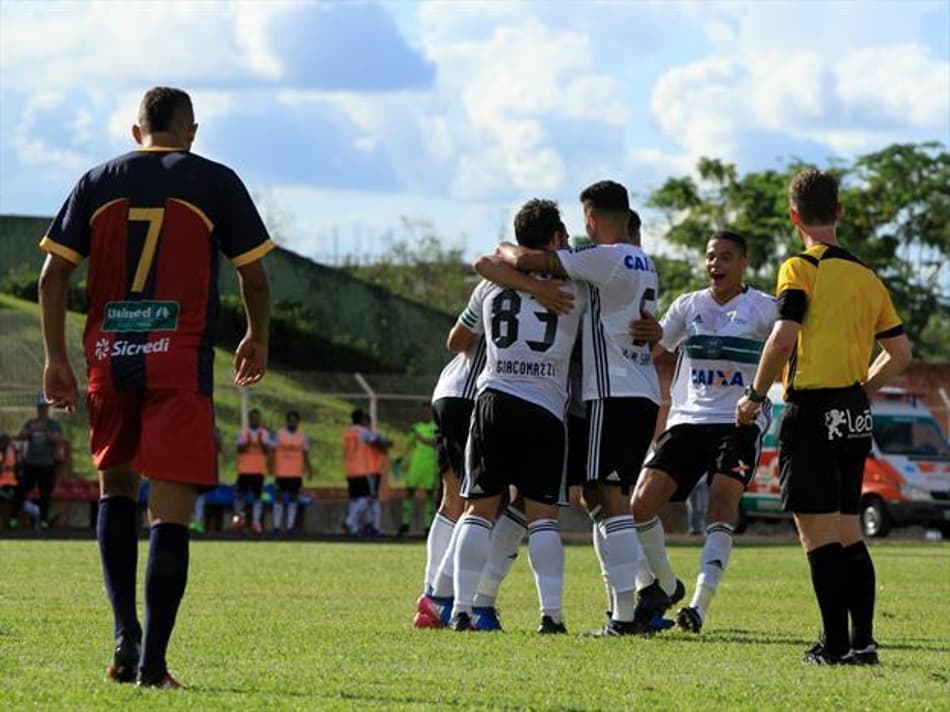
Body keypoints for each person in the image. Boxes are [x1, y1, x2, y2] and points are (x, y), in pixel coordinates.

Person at [38, 86, 272, 688]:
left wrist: (56, 359)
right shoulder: (215, 180)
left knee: (115, 490)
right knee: (169, 512)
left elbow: (51, 277)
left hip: (109, 359)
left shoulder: (96, 180)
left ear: (134, 129)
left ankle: (124, 638)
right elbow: (255, 276)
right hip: (178, 363)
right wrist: (257, 336)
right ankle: (155, 664)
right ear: (191, 131)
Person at [736, 169, 911, 665]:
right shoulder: (867, 278)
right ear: (839, 212)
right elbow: (900, 352)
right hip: (854, 414)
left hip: (812, 410)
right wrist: (862, 391)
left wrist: (754, 395)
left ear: (794, 217)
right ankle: (864, 642)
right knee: (848, 531)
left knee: (817, 537)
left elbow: (784, 335)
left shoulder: (800, 267)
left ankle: (833, 646)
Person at [492, 182, 668, 636]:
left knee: (610, 498)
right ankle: (640, 595)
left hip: (613, 393)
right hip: (637, 390)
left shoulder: (603, 258)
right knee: (597, 495)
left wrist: (507, 250)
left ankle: (627, 614)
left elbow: (525, 259)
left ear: (591, 218)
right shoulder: (642, 260)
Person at [628, 231, 777, 633]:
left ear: (744, 262)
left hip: (738, 422)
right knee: (638, 506)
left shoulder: (764, 309)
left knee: (722, 503)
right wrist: (639, 335)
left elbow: (789, 347)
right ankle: (665, 585)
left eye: (726, 257)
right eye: (711, 257)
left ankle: (698, 605)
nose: (716, 265)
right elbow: (657, 344)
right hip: (688, 421)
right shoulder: (688, 305)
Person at [447, 198, 584, 634]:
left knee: (478, 509)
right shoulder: (576, 287)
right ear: (557, 240)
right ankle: (551, 616)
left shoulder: (489, 285)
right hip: (545, 405)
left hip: (495, 399)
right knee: (544, 515)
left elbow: (459, 335)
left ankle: (462, 610)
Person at [8, 399, 65, 529]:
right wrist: (31, 430)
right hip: (30, 463)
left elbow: (58, 440)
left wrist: (46, 431)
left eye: (44, 408)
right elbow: (20, 436)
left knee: (45, 493)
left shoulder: (53, 425)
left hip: (47, 464)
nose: (42, 411)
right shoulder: (30, 423)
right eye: (40, 409)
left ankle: (44, 520)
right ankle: (13, 518)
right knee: (22, 490)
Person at [399, 404, 439, 536]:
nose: (424, 414)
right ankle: (405, 524)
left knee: (429, 495)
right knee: (409, 492)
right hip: (416, 466)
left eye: (427, 412)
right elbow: (408, 446)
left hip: (430, 466)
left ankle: (428, 526)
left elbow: (434, 442)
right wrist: (403, 461)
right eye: (422, 412)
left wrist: (419, 436)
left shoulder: (435, 427)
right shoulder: (415, 428)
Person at [272, 410, 312, 535]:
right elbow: (272, 451)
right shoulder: (279, 434)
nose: (292, 423)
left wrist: (309, 468)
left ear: (298, 422)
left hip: (295, 473)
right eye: (290, 420)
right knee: (279, 499)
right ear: (287, 421)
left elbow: (305, 453)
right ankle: (276, 526)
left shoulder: (302, 436)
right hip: (281, 472)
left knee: (293, 499)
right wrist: (270, 465)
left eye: (295, 420)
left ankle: (290, 527)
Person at [232, 409, 272, 534]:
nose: (256, 420)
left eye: (257, 418)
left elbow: (267, 450)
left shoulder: (264, 433)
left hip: (258, 471)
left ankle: (256, 523)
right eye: (253, 418)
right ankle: (238, 522)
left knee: (257, 498)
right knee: (239, 498)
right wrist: (248, 442)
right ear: (249, 419)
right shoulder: (243, 432)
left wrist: (260, 442)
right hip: (244, 470)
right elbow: (239, 449)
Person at [191, 428, 223, 534]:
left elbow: (219, 448)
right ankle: (191, 522)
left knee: (199, 497)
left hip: (203, 468)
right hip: (191, 466)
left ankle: (197, 522)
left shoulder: (214, 431)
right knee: (190, 496)